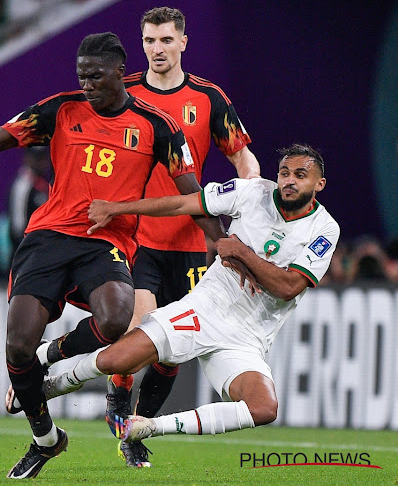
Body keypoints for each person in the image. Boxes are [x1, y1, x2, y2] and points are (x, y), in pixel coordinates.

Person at [0, 32, 229, 479]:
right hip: (48, 238)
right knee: (17, 346)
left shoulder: (157, 126)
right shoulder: (60, 109)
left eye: (95, 76)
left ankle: (52, 354)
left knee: (116, 320)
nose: (87, 84)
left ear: (118, 71)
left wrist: (225, 244)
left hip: (106, 242)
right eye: (81, 76)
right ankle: (46, 440)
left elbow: (192, 194)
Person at [41, 144, 339, 455]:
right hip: (206, 308)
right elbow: (182, 204)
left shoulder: (325, 229)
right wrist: (118, 208)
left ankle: (147, 426)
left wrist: (242, 253)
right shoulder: (252, 192)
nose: (289, 181)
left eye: (300, 175)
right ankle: (56, 384)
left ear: (319, 184)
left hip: (248, 337)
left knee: (263, 407)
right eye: (284, 173)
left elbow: (289, 286)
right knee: (116, 361)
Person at [100, 6, 261, 467]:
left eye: (166, 41)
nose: (157, 50)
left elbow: (243, 160)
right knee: (138, 331)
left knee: (173, 352)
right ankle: (118, 391)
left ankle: (137, 429)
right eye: (149, 41)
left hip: (192, 242)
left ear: (183, 42)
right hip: (137, 238)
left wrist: (248, 203)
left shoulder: (209, 99)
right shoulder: (124, 92)